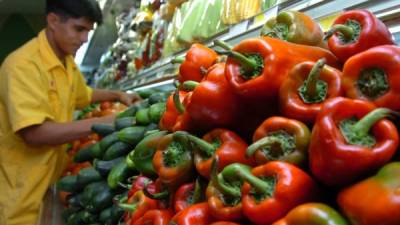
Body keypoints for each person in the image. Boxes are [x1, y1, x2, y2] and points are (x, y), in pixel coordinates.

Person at [0, 0, 140, 224]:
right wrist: (111, 121)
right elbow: (35, 133)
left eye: (88, 31)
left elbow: (82, 94)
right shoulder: (22, 66)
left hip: (51, 178)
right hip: (21, 188)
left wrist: (117, 95)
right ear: (53, 20)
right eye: (79, 29)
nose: (84, 39)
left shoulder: (65, 61)